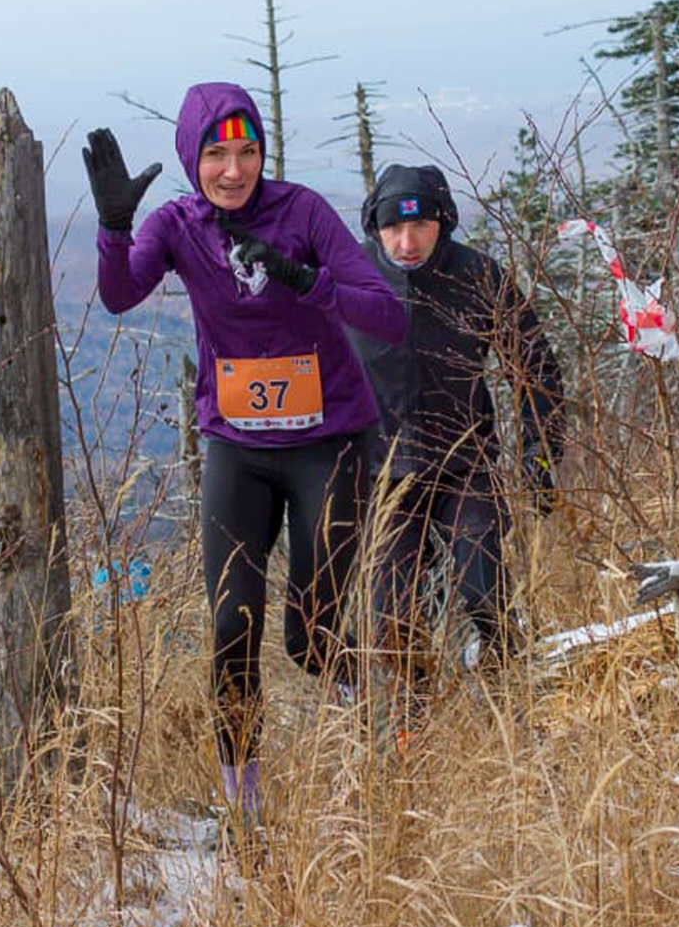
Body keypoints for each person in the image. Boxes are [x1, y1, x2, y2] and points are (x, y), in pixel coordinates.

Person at [84, 83, 406, 828]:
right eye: (217, 153)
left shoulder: (304, 214)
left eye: (248, 151)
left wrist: (306, 280)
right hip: (238, 450)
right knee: (233, 627)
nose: (234, 170)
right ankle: (245, 808)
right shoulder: (177, 224)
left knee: (312, 632)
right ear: (192, 157)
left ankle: (376, 725)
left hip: (329, 444)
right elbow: (119, 294)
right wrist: (112, 224)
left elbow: (386, 316)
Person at [348, 164, 566, 742]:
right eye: (393, 229)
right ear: (375, 228)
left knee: (482, 590)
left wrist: (539, 458)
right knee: (391, 618)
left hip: (466, 463)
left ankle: (514, 709)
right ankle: (413, 726)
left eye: (419, 227)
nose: (406, 241)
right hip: (384, 476)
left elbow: (536, 367)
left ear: (442, 222)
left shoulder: (478, 278)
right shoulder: (353, 278)